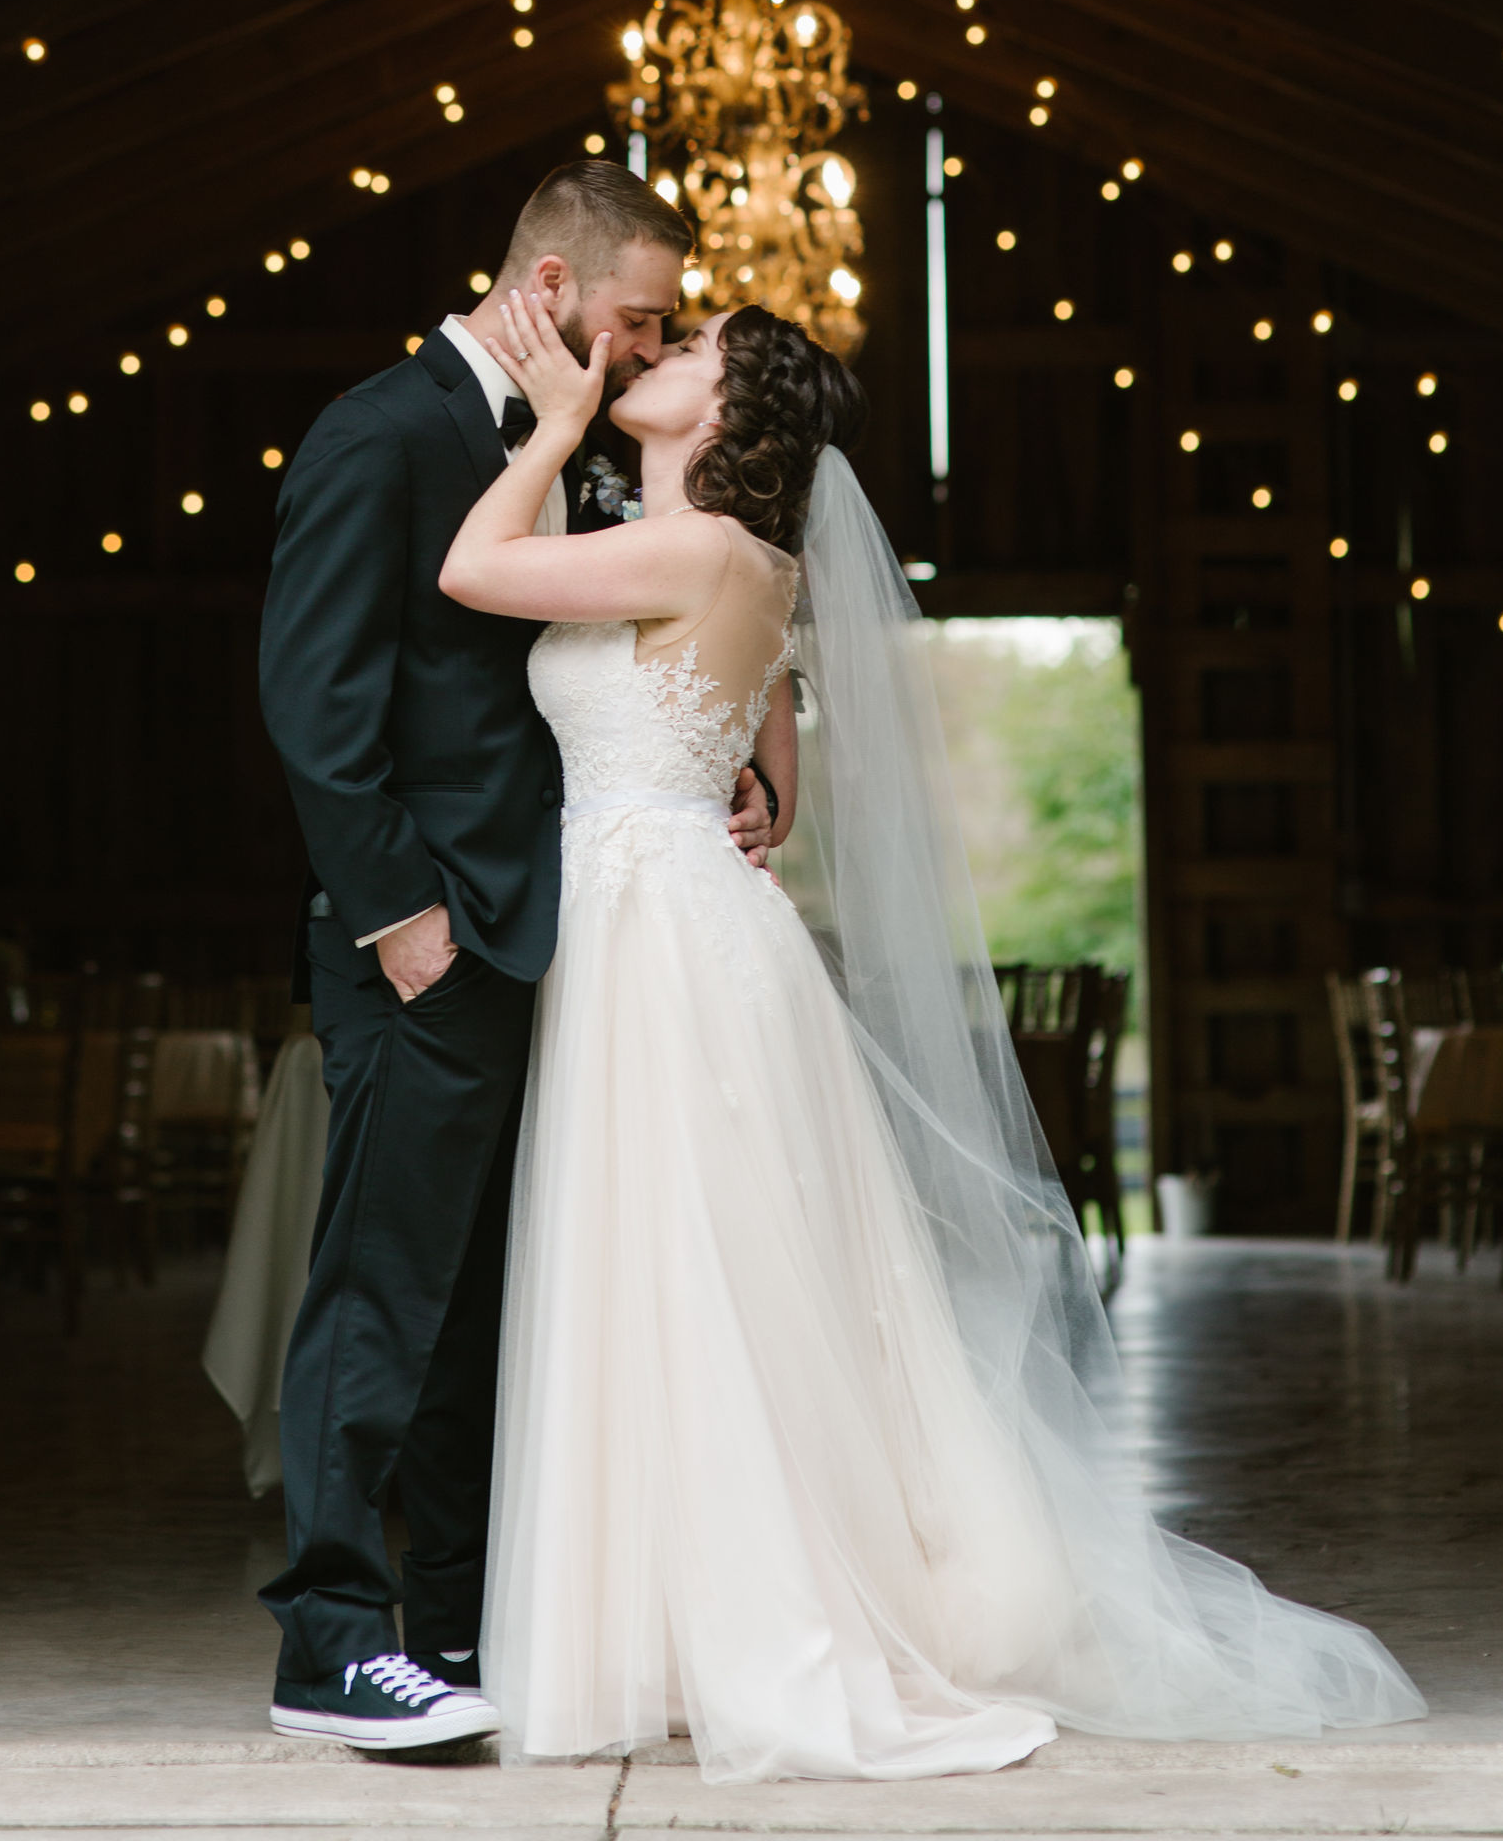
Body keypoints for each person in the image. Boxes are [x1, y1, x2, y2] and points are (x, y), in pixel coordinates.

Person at [441, 291, 1427, 1782]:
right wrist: (763, 782)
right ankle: (655, 1623)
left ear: (728, 415)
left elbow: (470, 568)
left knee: (703, 1282)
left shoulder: (705, 547)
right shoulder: (740, 562)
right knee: (662, 1278)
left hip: (669, 947)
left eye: (689, 349)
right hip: (659, 921)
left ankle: (743, 1618)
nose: (656, 357)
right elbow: (765, 724)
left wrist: (558, 424)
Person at [255, 161, 770, 1752]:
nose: (647, 347)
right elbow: (315, 701)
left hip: (561, 944)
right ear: (550, 294)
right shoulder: (382, 432)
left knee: (482, 1311)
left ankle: (465, 1633)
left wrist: (716, 763)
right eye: (638, 320)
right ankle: (332, 1640)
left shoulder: (580, 464)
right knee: (382, 1290)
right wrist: (399, 919)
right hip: (429, 940)